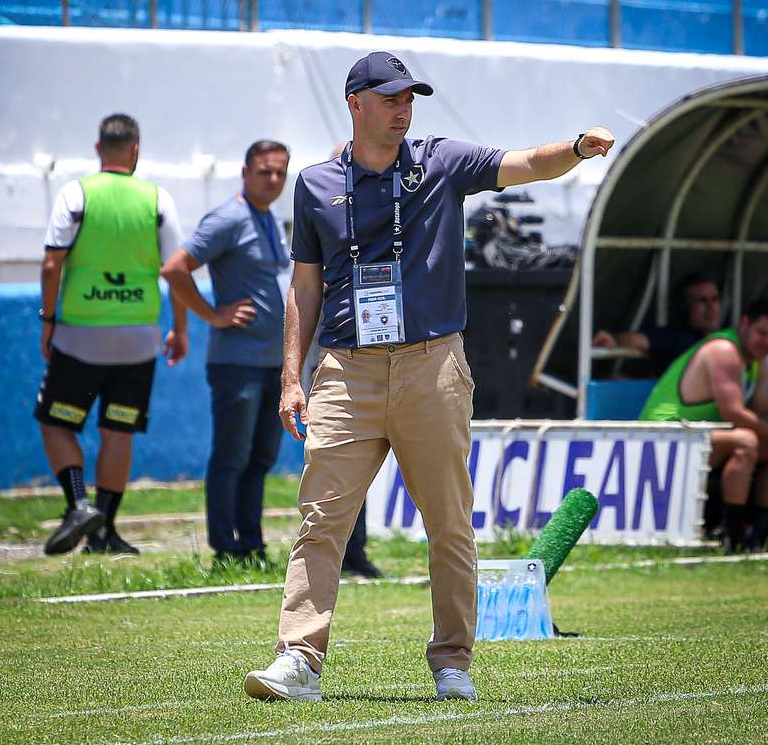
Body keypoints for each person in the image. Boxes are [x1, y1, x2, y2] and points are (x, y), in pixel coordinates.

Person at [243, 50, 614, 702]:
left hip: (432, 365)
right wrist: (290, 378)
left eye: (410, 97)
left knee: (448, 523)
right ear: (355, 103)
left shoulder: (441, 161)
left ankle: (452, 663)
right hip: (344, 371)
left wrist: (578, 148)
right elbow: (303, 286)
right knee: (320, 520)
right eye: (390, 98)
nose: (403, 109)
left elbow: (523, 163)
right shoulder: (313, 184)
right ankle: (298, 659)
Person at [35, 113, 188, 556]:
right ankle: (104, 532)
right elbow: (176, 270)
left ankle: (79, 503)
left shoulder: (76, 193)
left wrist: (48, 319)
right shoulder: (157, 198)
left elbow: (51, 263)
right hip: (138, 337)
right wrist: (179, 328)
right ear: (136, 150)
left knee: (55, 422)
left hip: (81, 334)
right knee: (118, 432)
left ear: (98, 149)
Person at [161, 140, 290, 565]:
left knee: (260, 458)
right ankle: (225, 547)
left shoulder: (269, 218)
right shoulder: (229, 217)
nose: (273, 180)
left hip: (272, 363)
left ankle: (251, 544)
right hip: (236, 363)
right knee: (231, 456)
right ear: (245, 172)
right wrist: (211, 315)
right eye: (264, 171)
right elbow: (175, 269)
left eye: (279, 173)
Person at [640, 298, 768, 552]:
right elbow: (733, 413)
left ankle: (760, 534)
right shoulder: (723, 349)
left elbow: (759, 413)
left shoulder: (756, 359)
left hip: (697, 436)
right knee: (747, 442)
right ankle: (733, 536)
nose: (766, 342)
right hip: (663, 435)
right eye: (762, 333)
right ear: (744, 324)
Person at [593, 273, 721, 376]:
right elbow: (636, 339)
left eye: (715, 299)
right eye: (702, 301)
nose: (711, 307)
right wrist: (613, 340)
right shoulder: (676, 338)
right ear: (685, 307)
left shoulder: (726, 337)